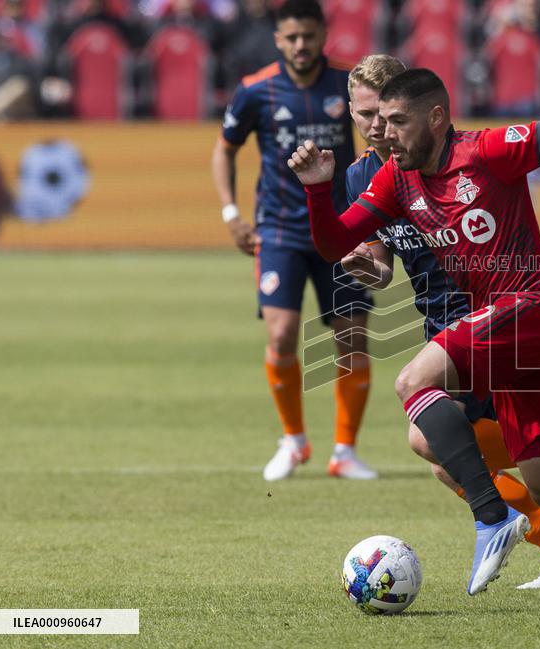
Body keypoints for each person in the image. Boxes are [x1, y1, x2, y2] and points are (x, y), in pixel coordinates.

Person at [289, 67, 540, 598]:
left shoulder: (485, 150)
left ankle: (491, 518)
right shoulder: (393, 177)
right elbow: (333, 244)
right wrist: (318, 190)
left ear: (436, 117)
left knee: (413, 382)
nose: (383, 132)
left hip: (535, 303)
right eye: (375, 120)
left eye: (395, 121)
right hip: (505, 332)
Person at [339, 53, 540, 590]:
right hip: (438, 324)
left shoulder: (449, 157)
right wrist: (367, 266)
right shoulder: (362, 176)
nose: (375, 126)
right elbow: (382, 262)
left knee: (429, 441)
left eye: (384, 113)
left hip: (490, 314)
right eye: (363, 113)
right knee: (446, 456)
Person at [211, 0, 376, 482]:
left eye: (308, 35)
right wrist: (230, 212)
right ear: (278, 40)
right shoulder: (255, 91)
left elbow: (375, 141)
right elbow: (224, 152)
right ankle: (294, 440)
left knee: (352, 337)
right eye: (291, 38)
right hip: (280, 230)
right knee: (282, 334)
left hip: (342, 229)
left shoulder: (348, 85)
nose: (301, 46)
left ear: (322, 34)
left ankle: (344, 450)